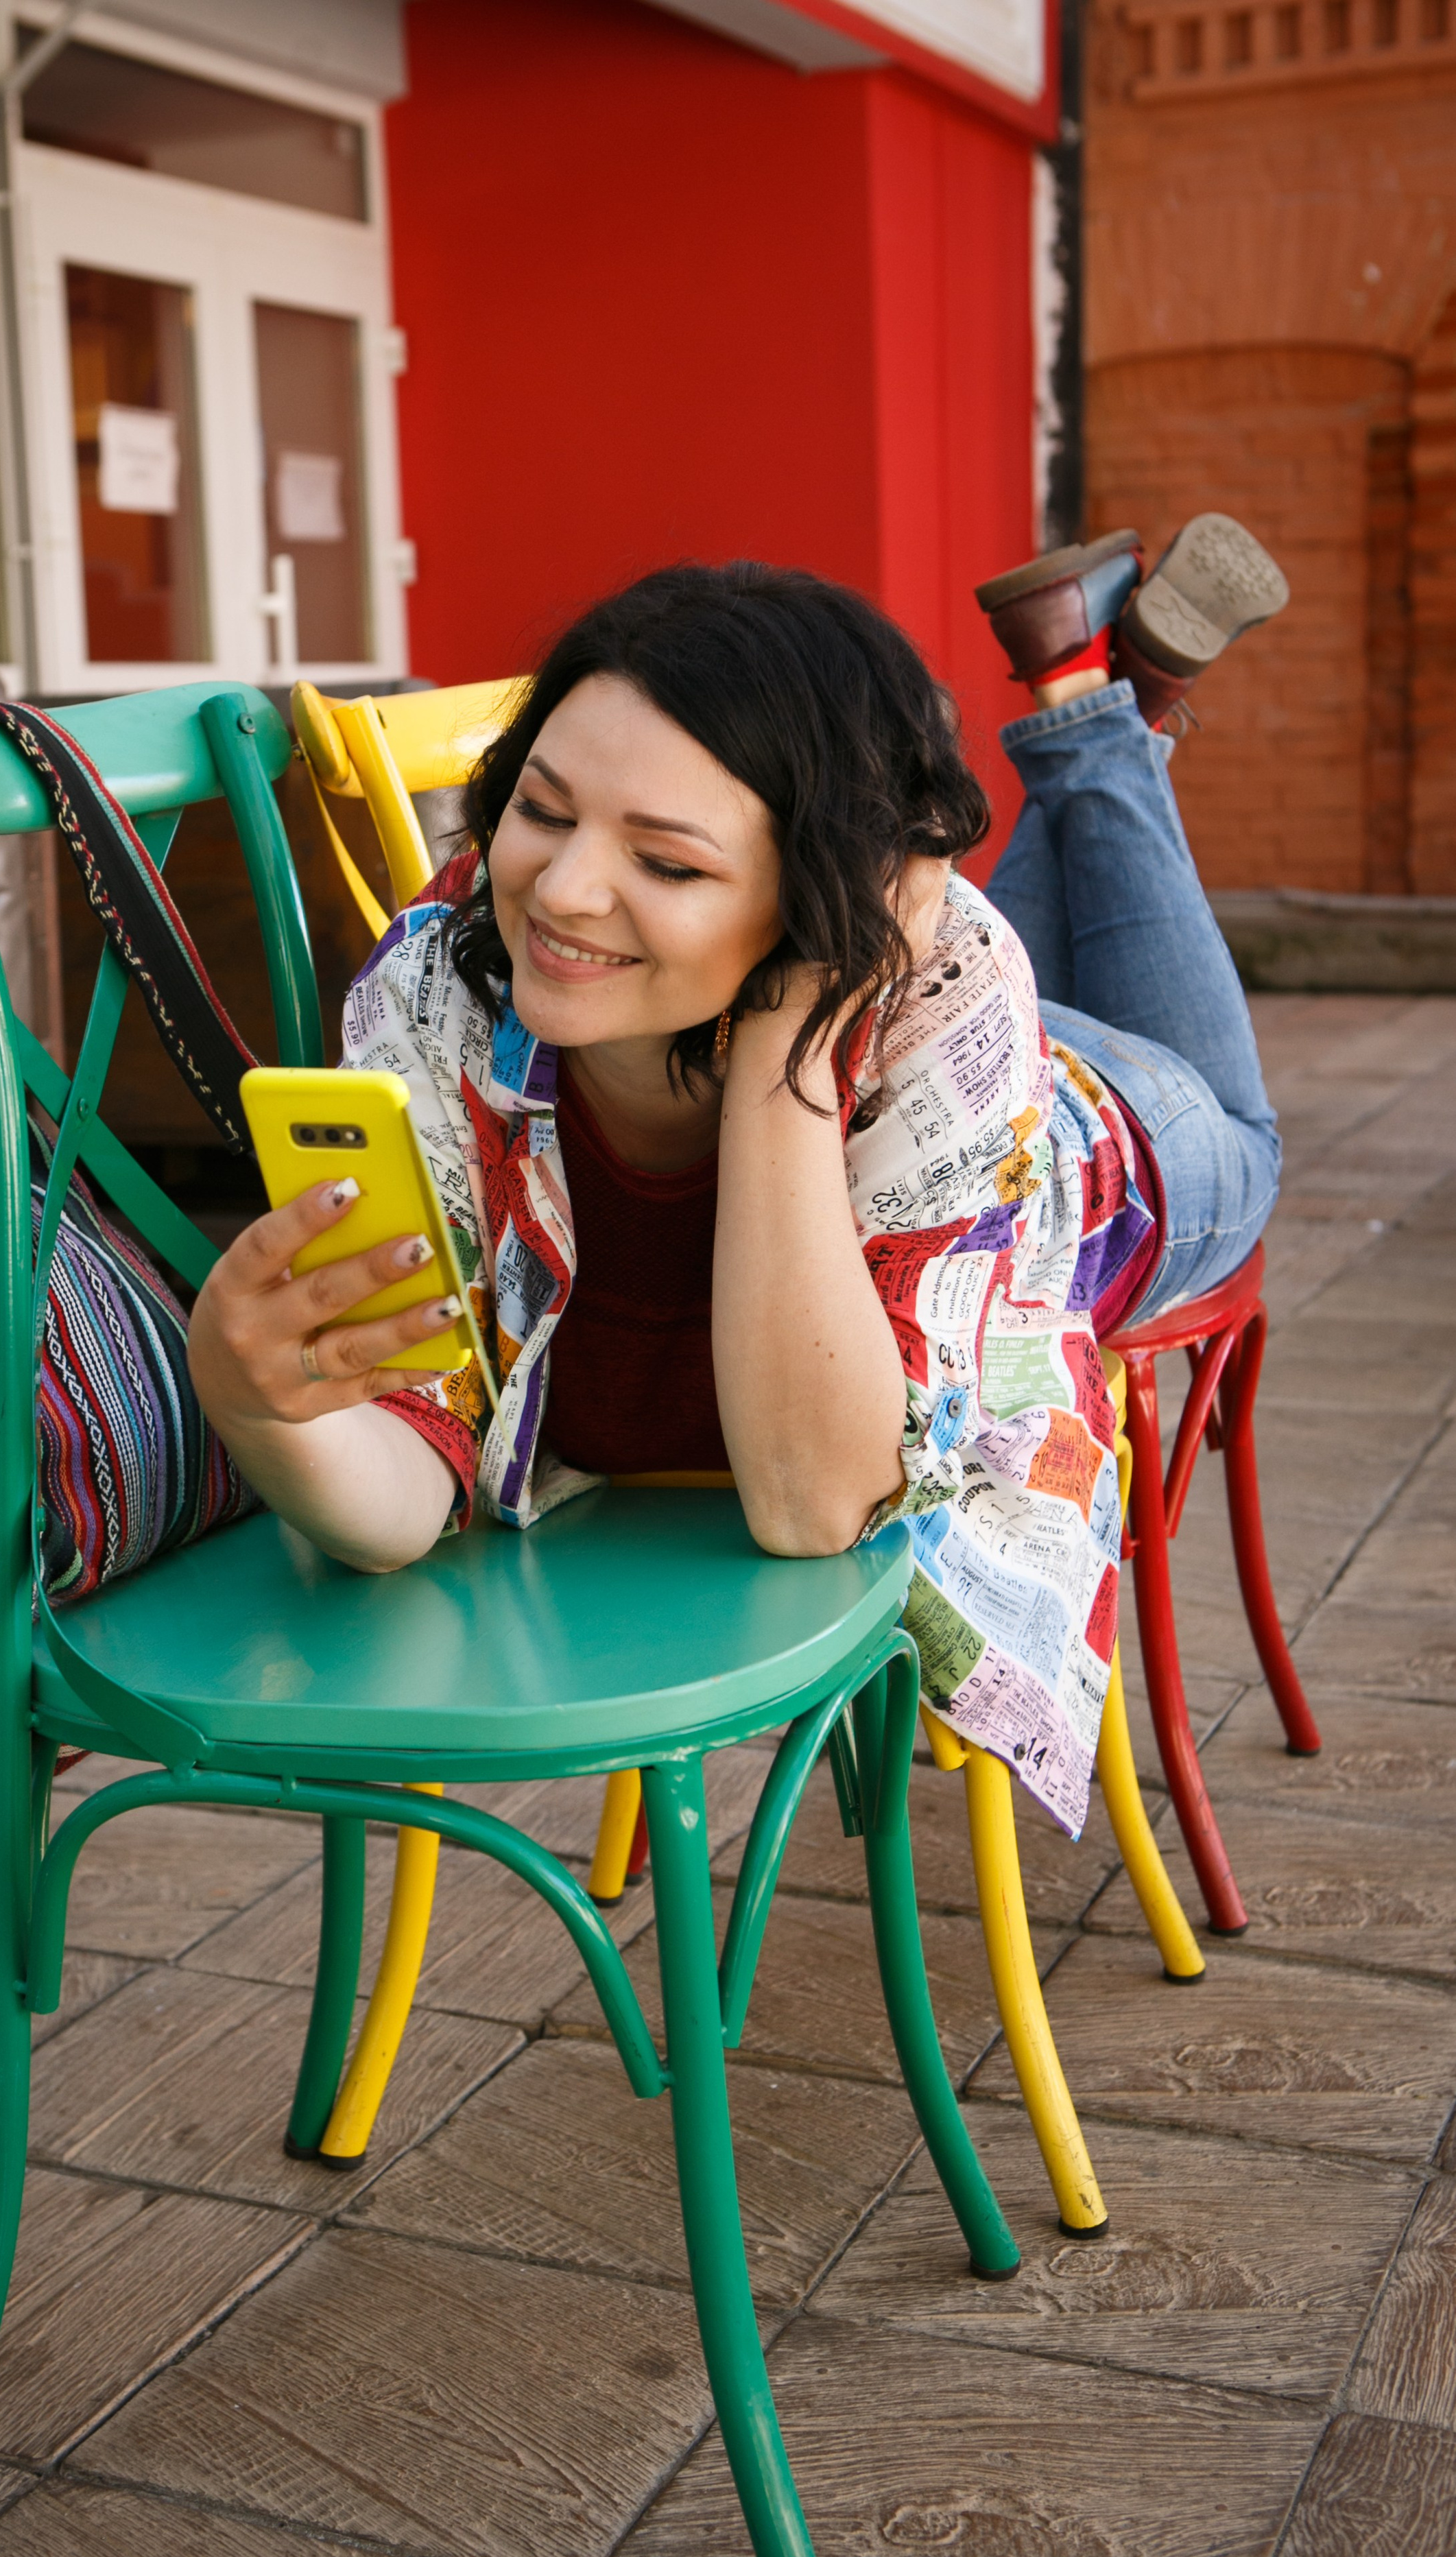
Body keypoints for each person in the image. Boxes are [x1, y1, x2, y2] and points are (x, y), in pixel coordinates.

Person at [189, 523, 1288, 1838]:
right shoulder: (438, 991)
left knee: (1249, 1133)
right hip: (882, 1040)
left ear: (817, 904)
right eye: (542, 811)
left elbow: (817, 1504)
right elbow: (411, 1478)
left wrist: (790, 1042)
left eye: (667, 862)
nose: (563, 891)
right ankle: (1102, 688)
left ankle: (1106, 715)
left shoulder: (943, 981)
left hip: (1102, 1142)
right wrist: (255, 1403)